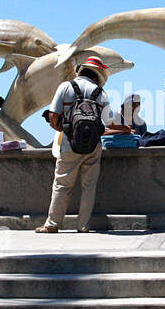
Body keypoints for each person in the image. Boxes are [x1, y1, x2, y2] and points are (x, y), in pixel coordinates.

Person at [36, 56, 130, 234]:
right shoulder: (100, 93)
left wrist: (63, 129)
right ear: (96, 76)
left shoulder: (66, 86)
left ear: (81, 71)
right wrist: (123, 128)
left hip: (69, 144)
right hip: (93, 146)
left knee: (62, 185)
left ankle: (52, 224)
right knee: (89, 187)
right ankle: (83, 226)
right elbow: (108, 122)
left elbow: (53, 115)